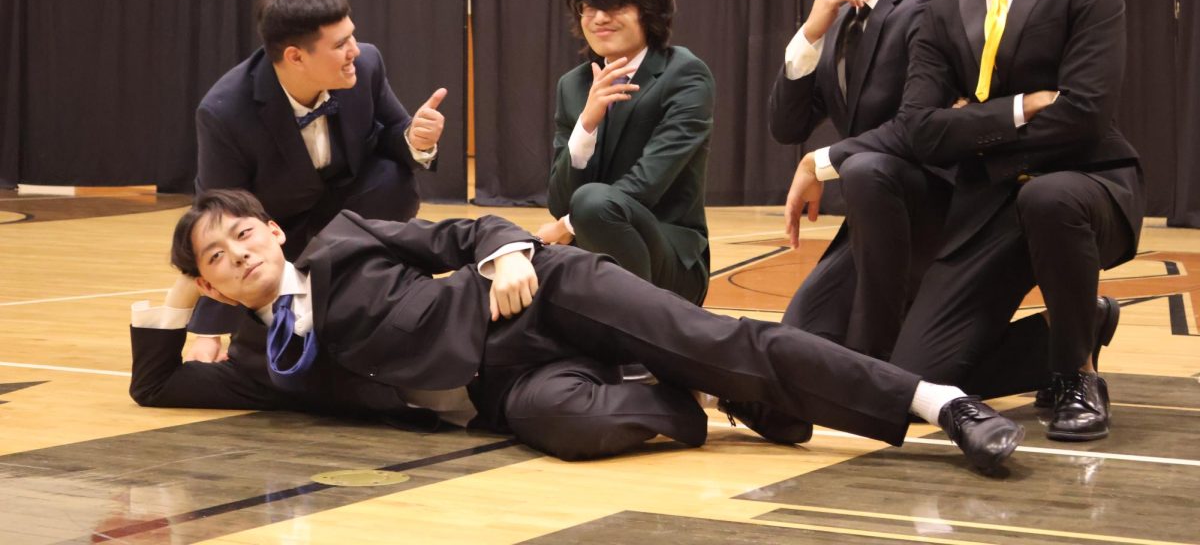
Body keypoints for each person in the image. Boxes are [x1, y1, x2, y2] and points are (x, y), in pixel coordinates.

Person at [129, 189, 1025, 474]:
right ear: (205, 280)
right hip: (503, 393)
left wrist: (510, 253)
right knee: (572, 429)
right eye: (214, 256)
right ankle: (709, 398)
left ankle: (940, 404)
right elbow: (156, 384)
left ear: (275, 232)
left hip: (538, 302)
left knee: (724, 338)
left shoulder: (345, 240)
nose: (236, 252)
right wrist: (178, 285)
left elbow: (460, 233)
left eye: (244, 232)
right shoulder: (256, 358)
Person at [885, 0, 1144, 441]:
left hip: (1088, 184)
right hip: (987, 205)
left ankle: (1076, 373)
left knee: (1048, 198)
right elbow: (920, 128)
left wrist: (973, 124)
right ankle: (1074, 325)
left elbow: (1085, 113)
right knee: (914, 378)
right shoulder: (942, 10)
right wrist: (1022, 107)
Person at [187, 0, 447, 356]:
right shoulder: (224, 112)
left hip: (350, 215)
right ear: (295, 57)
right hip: (281, 237)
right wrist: (208, 332)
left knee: (393, 179)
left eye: (352, 37)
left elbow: (394, 132)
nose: (355, 51)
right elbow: (216, 215)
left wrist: (417, 140)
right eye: (340, 45)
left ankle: (386, 287)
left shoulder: (367, 64)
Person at [768, 0, 951, 360]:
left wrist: (818, 164)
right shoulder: (841, 17)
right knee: (798, 342)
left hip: (933, 208)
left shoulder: (932, 1)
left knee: (896, 361)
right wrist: (810, 32)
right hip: (873, 215)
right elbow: (787, 126)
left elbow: (919, 126)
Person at [536, 0, 714, 305]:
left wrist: (568, 225)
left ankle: (639, 338)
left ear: (649, 11)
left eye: (615, 5)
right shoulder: (574, 86)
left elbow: (648, 183)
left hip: (670, 265)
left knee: (591, 202)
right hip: (593, 257)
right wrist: (586, 126)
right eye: (590, 7)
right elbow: (558, 200)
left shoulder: (684, 74)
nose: (600, 18)